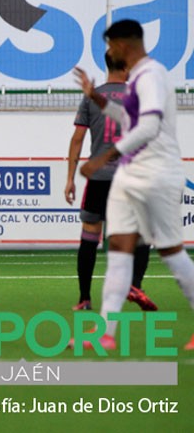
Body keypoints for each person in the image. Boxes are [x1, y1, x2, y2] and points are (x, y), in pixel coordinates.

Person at [73, 19, 194, 351]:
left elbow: (149, 126)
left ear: (123, 45)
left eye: (110, 46)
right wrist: (95, 97)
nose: (109, 52)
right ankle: (105, 333)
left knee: (171, 251)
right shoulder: (137, 78)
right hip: (130, 174)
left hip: (158, 174)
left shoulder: (151, 76)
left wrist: (102, 158)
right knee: (119, 250)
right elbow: (127, 119)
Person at [65, 53, 156, 312]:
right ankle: (135, 285)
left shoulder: (92, 97)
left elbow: (77, 139)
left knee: (90, 237)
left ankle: (84, 299)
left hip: (98, 178)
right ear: (127, 67)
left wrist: (70, 179)